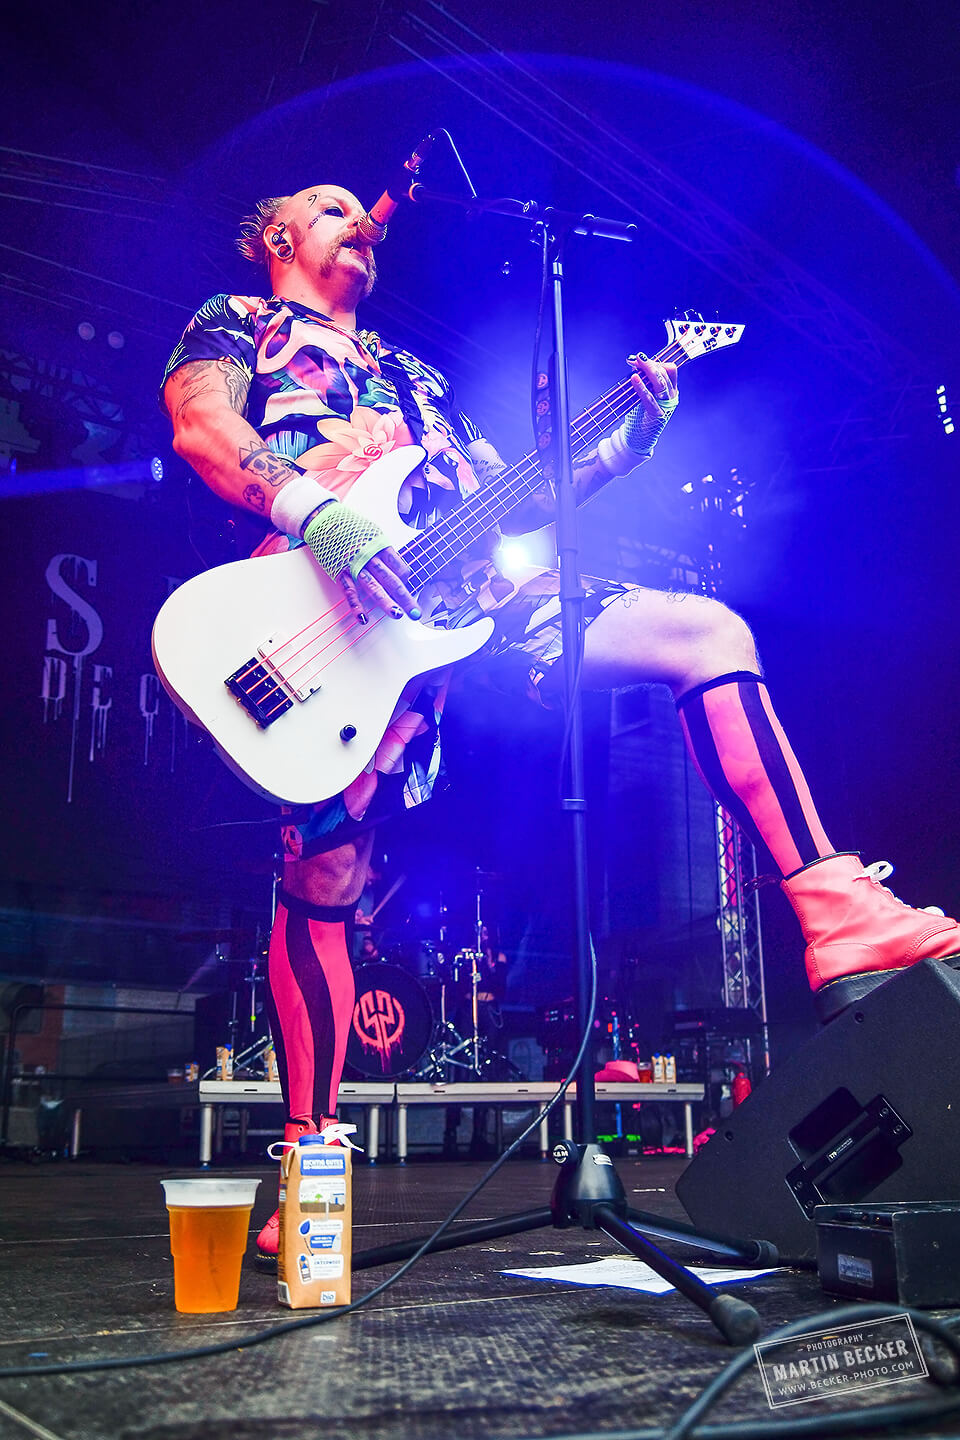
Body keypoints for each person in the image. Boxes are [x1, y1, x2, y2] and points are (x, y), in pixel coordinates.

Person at [161, 182, 960, 1258]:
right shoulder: (238, 322)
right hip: (323, 614)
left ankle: (838, 910)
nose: (359, 222)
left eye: (361, 212)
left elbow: (520, 503)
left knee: (707, 632)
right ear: (278, 235)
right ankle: (311, 1161)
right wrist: (321, 514)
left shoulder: (417, 378)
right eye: (330, 206)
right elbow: (203, 426)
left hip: (470, 616)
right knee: (327, 872)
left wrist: (626, 443)